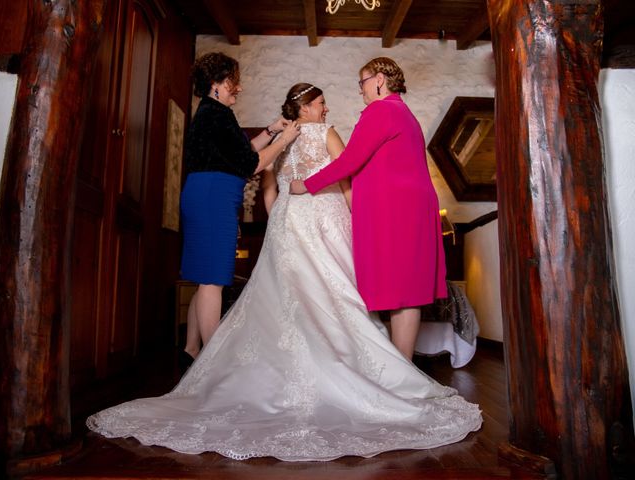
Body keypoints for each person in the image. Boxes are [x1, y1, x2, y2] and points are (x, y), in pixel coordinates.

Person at [86, 83, 482, 461]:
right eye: (320, 102)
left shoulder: (283, 143)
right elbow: (346, 177)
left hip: (290, 223)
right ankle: (374, 368)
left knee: (288, 298)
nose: (325, 108)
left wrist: (280, 224)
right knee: (337, 291)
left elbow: (270, 192)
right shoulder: (327, 132)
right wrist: (355, 215)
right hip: (326, 220)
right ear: (307, 107)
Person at [290, 57, 446, 360]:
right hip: (408, 208)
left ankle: (403, 368)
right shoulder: (401, 111)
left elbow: (348, 162)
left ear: (378, 80)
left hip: (398, 211)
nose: (360, 91)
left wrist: (306, 185)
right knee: (407, 291)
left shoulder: (382, 110)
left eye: (361, 83)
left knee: (405, 290)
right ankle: (405, 365)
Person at [180, 52, 300, 362]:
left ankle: (191, 349)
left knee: (205, 276)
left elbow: (240, 151)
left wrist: (271, 131)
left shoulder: (211, 113)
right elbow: (253, 163)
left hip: (207, 194)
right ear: (216, 84)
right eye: (234, 81)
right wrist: (284, 139)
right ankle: (213, 362)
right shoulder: (216, 115)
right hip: (213, 198)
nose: (239, 88)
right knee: (214, 279)